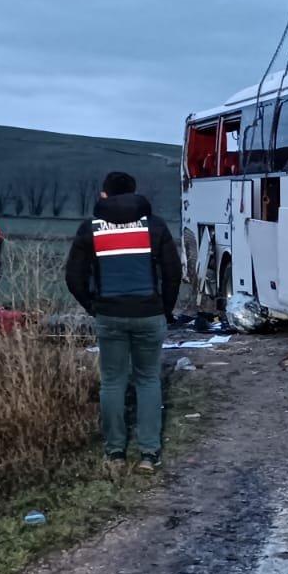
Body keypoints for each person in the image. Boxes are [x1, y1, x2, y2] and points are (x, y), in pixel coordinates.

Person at [64, 171, 181, 471]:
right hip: (149, 313)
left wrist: (93, 307)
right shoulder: (154, 226)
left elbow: (73, 277)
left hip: (110, 315)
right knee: (148, 380)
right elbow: (173, 272)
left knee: (113, 383)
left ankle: (115, 452)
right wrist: (164, 309)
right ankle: (148, 454)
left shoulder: (90, 229)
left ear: (104, 195)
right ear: (134, 192)